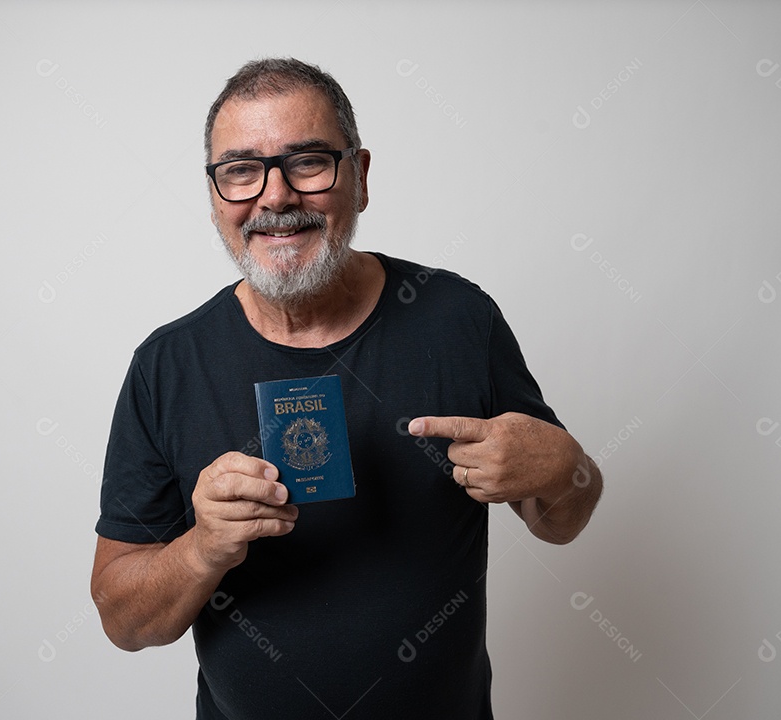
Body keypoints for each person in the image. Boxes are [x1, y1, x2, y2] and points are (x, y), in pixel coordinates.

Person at [91, 57, 603, 720]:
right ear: (216, 195)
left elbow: (561, 519)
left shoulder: (458, 318)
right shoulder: (167, 367)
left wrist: (564, 469)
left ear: (359, 177)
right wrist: (200, 549)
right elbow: (124, 622)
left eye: (307, 161)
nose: (275, 197)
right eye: (241, 170)